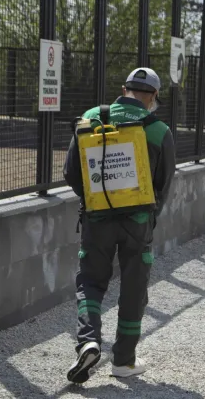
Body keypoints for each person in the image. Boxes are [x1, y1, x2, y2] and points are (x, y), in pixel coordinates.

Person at [63, 67, 176, 383]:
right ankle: (123, 361)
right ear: (152, 97)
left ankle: (88, 340)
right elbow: (163, 184)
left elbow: (71, 172)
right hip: (137, 222)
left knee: (90, 280)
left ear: (124, 89)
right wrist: (149, 218)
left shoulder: (90, 117)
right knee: (134, 286)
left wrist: (96, 200)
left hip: (97, 218)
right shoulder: (158, 130)